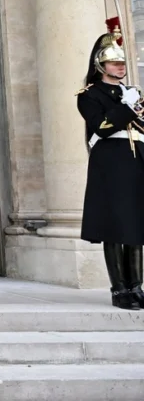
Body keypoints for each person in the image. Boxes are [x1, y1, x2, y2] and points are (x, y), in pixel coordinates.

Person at [77, 18, 144, 310]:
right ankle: (120, 290)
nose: (120, 67)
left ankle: (136, 287)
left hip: (136, 158)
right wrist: (126, 108)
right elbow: (102, 127)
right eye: (114, 63)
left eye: (122, 62)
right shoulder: (90, 95)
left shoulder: (133, 93)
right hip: (111, 162)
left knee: (136, 226)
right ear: (101, 65)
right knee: (115, 227)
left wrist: (135, 105)